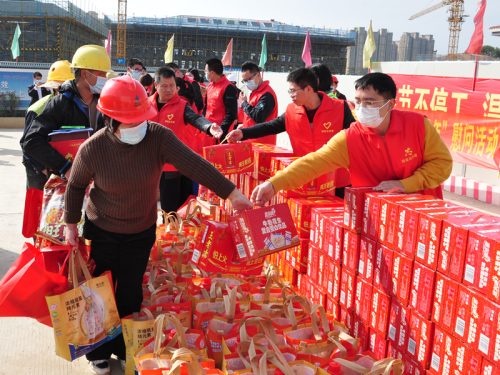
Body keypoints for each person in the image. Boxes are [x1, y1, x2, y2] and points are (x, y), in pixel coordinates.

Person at [63, 75, 252, 375]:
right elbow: (75, 187)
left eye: (141, 118)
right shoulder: (93, 148)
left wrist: (232, 193)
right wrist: (71, 224)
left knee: (129, 291)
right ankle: (98, 350)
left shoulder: (158, 137)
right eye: (129, 120)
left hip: (140, 230)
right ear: (110, 118)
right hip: (102, 230)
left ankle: (126, 346)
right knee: (100, 292)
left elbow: (194, 164)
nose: (138, 126)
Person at [251, 72, 453, 207]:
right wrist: (274, 183)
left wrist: (406, 184)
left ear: (391, 104)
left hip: (424, 213)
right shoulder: (351, 137)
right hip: (377, 215)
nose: (362, 108)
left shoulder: (417, 125)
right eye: (358, 102)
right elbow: (313, 163)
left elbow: (442, 163)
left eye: (370, 102)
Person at [227, 68, 354, 198]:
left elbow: (355, 141)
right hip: (303, 179)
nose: (291, 95)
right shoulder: (291, 111)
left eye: (293, 91)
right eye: (289, 91)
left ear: (308, 89)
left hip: (337, 182)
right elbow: (270, 126)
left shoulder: (340, 108)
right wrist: (243, 133)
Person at [24, 45, 113, 178]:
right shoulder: (60, 104)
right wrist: (64, 168)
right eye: (101, 74)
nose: (105, 79)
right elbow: (31, 141)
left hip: (98, 179)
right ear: (84, 74)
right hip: (69, 182)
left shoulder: (105, 102)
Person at [150, 67, 223, 213]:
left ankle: (170, 233)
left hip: (172, 165)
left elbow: (196, 119)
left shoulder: (182, 106)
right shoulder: (146, 105)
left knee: (169, 209)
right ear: (156, 85)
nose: (169, 90)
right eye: (164, 86)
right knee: (147, 207)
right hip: (149, 164)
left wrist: (209, 127)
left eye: (172, 86)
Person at [21, 61, 75, 190]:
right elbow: (27, 145)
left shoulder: (71, 107)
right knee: (40, 207)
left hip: (61, 169)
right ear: (56, 87)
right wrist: (46, 171)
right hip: (38, 172)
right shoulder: (38, 108)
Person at [237, 61, 278, 145]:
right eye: (244, 81)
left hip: (262, 144)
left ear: (258, 75)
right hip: (250, 141)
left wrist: (244, 103)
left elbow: (258, 117)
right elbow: (250, 118)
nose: (247, 83)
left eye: (248, 79)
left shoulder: (267, 94)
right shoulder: (255, 92)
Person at [204, 58, 238, 140]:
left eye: (206, 71)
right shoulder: (210, 85)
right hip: (209, 130)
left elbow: (231, 114)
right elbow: (206, 106)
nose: (205, 73)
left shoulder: (228, 87)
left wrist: (221, 130)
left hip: (221, 134)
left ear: (212, 73)